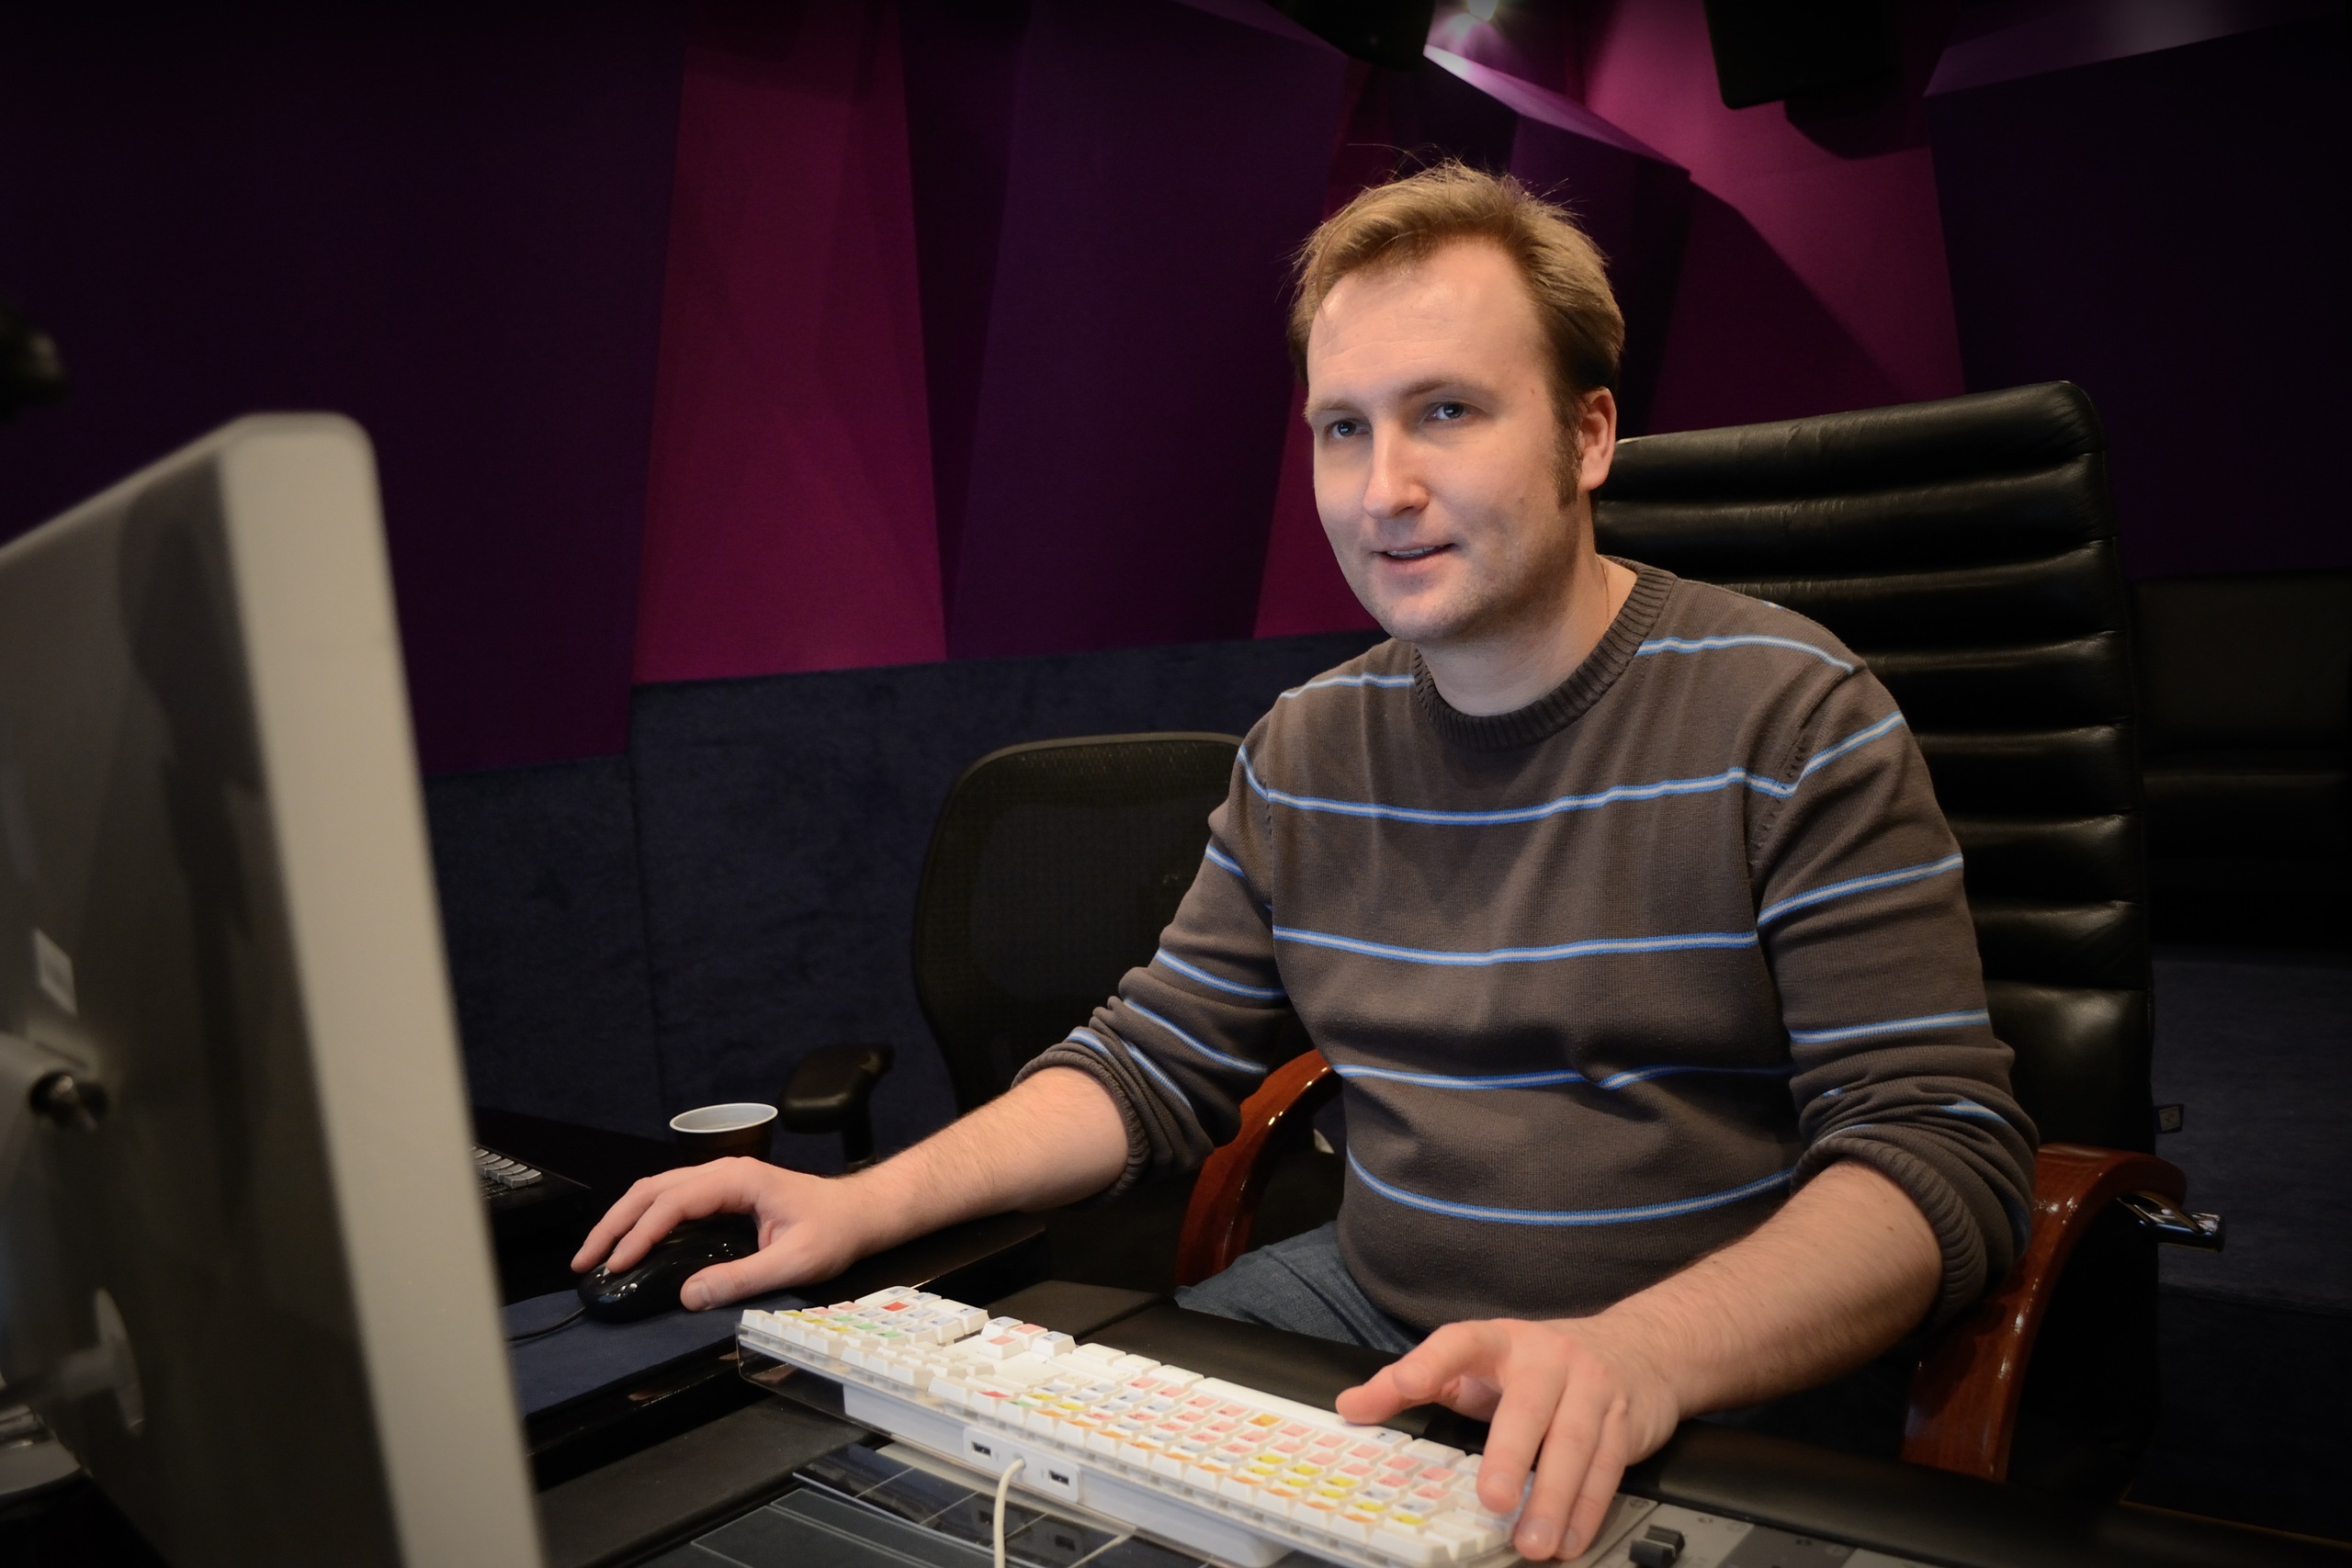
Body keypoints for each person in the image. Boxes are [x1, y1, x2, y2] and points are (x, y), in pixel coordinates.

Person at [573, 163, 2035, 1562]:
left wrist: (1644, 1351)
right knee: (1031, 1489)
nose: (1382, 488)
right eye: (1343, 428)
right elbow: (1150, 1062)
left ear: (1590, 435)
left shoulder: (1793, 713)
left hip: (1699, 1365)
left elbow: (1937, 1147)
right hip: (1377, 1318)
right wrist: (861, 1202)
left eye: (1446, 411)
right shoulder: (1307, 746)